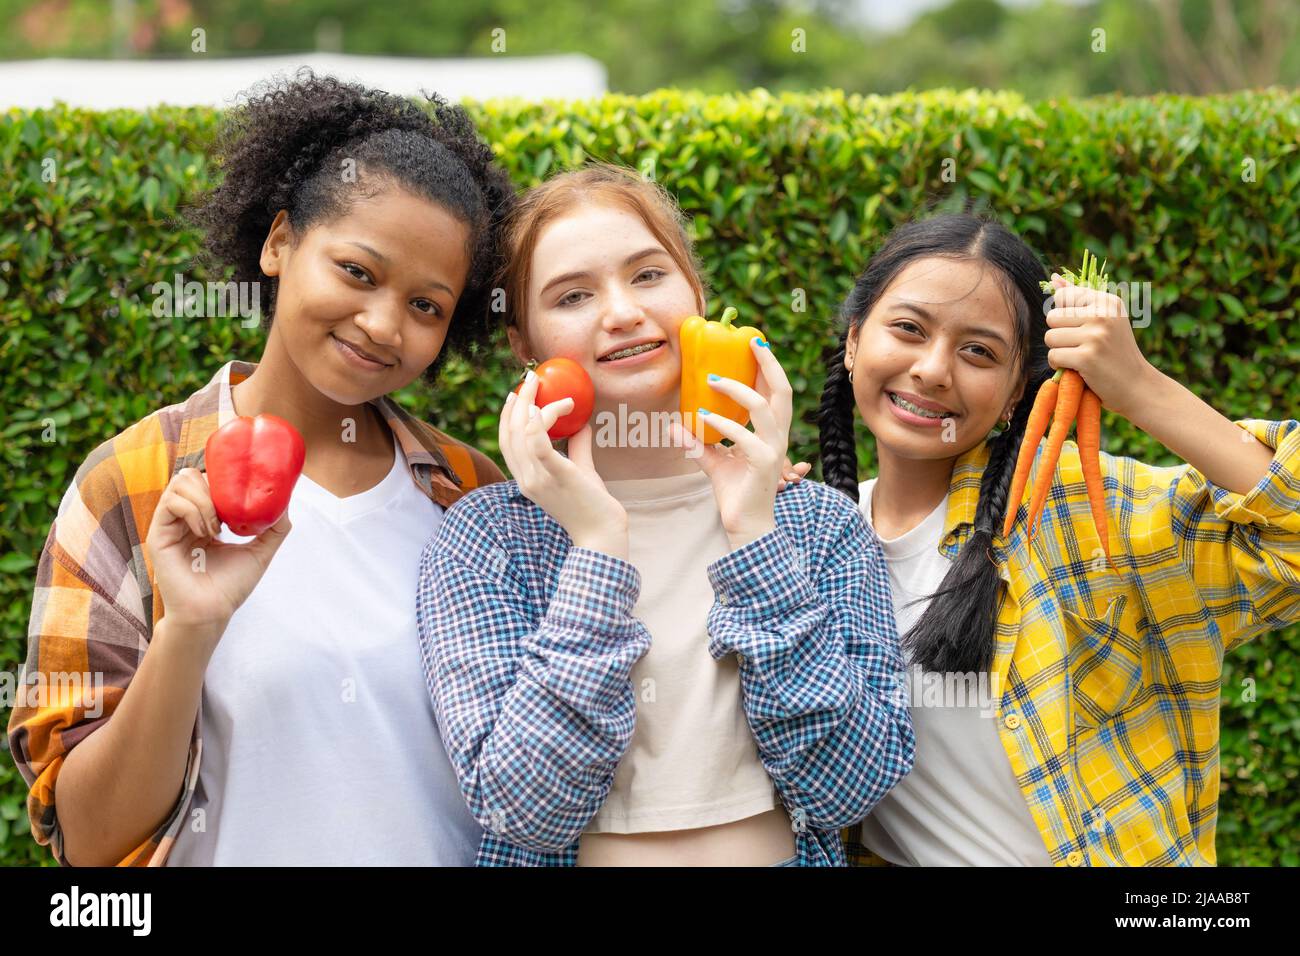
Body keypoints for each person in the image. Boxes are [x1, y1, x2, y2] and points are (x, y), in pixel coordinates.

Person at [6, 71, 514, 866]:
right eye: (357, 271)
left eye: (427, 306)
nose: (383, 324)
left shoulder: (476, 499)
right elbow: (89, 840)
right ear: (280, 243)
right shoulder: (129, 485)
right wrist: (191, 632)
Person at [416, 164, 914, 866]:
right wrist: (595, 550)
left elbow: (849, 789)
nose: (621, 311)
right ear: (524, 345)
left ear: (698, 295)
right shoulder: (486, 539)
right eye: (573, 296)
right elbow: (520, 807)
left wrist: (755, 536)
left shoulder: (816, 526)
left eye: (648, 275)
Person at [817, 213, 1300, 866]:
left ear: (1018, 392)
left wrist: (1139, 387)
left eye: (979, 351)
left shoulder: (1069, 504)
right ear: (853, 341)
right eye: (908, 329)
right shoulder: (809, 540)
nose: (932, 370)